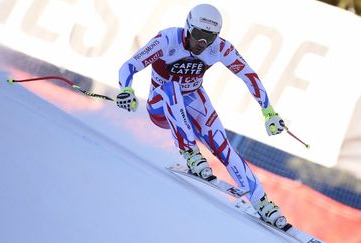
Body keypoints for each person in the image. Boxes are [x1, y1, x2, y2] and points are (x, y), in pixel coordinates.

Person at [116, 3, 288, 228]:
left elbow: (249, 76)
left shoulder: (219, 48)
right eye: (198, 35)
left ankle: (262, 202)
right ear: (188, 27)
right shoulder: (167, 40)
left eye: (210, 37)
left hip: (192, 99)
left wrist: (269, 112)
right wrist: (126, 90)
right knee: (173, 86)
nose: (202, 43)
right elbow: (129, 66)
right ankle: (190, 151)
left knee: (221, 142)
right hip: (161, 106)